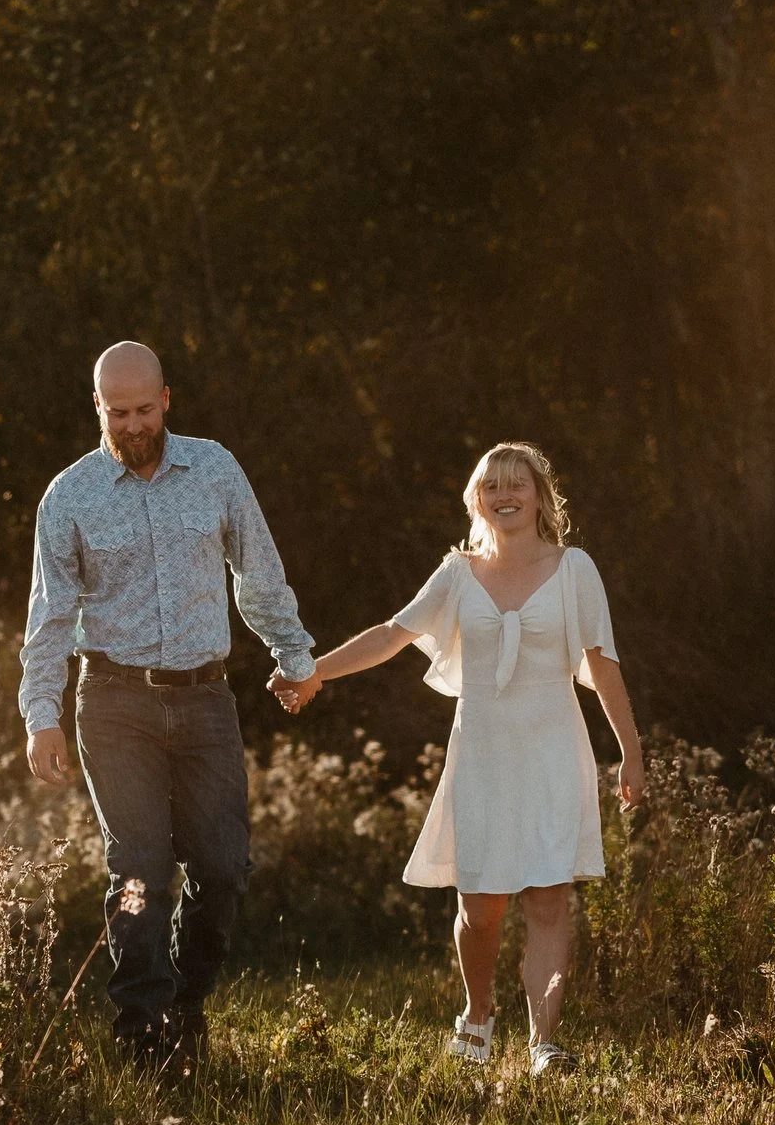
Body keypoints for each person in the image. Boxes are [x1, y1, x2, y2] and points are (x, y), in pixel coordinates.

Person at [272, 442, 642, 1075]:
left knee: (550, 901)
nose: (505, 494)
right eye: (491, 484)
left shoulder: (576, 569)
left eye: (516, 483)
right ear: (476, 499)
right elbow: (393, 635)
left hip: (554, 750)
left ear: (539, 496)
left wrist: (631, 753)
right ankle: (477, 1014)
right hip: (482, 753)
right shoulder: (457, 573)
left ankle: (544, 1044)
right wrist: (314, 672)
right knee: (481, 905)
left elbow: (602, 665)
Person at [19, 341, 322, 1072]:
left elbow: (258, 573)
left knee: (222, 867)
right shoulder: (69, 496)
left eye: (143, 410)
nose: (131, 426)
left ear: (168, 401)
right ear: (97, 407)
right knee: (137, 871)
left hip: (204, 698)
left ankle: (186, 1003)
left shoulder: (214, 469)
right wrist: (42, 715)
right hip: (113, 703)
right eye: (116, 412)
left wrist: (295, 655)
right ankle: (140, 1030)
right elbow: (50, 617)